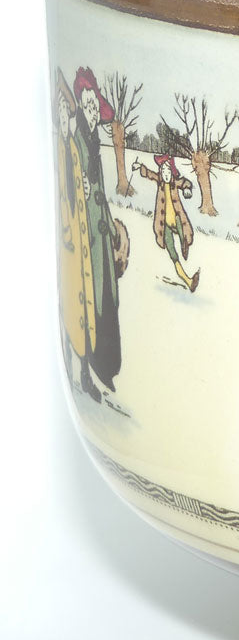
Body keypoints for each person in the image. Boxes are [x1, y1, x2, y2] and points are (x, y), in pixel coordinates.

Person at [72, 67, 124, 392]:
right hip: (86, 237)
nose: (93, 112)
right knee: (91, 301)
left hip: (101, 238)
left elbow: (101, 192)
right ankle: (92, 366)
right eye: (89, 106)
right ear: (80, 106)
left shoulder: (93, 142)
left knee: (107, 300)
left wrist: (113, 230)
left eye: (96, 107)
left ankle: (108, 368)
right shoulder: (77, 142)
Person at [54, 73, 101, 400]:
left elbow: (77, 187)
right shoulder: (62, 147)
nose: (63, 117)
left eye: (65, 112)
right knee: (73, 306)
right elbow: (63, 191)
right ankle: (75, 372)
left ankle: (84, 372)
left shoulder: (72, 146)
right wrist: (68, 231)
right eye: (60, 111)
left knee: (84, 308)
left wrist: (84, 187)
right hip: (70, 240)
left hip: (81, 239)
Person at [133, 155, 200, 292]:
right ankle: (188, 281)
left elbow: (185, 182)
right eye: (163, 171)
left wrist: (187, 188)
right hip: (164, 224)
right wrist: (140, 166)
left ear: (172, 172)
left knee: (183, 230)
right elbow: (149, 174)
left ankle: (184, 244)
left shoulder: (175, 183)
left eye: (168, 171)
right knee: (172, 253)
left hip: (177, 220)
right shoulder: (160, 182)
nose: (165, 174)